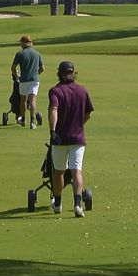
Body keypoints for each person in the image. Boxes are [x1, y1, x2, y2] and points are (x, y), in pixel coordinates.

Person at [47, 60, 93, 217]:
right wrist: (79, 124)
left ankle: (58, 203)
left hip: (60, 138)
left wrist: (53, 130)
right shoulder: (82, 90)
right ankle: (77, 205)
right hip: (78, 138)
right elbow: (88, 114)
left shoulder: (55, 91)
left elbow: (54, 109)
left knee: (58, 172)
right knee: (76, 171)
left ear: (59, 73)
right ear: (73, 73)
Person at [9, 34, 44, 128]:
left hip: (24, 80)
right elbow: (42, 68)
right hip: (35, 80)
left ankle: (23, 119)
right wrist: (36, 75)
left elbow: (13, 68)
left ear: (25, 43)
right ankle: (32, 122)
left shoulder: (20, 54)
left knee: (23, 100)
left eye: (21, 42)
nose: (21, 44)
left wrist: (17, 76)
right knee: (32, 100)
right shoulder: (37, 54)